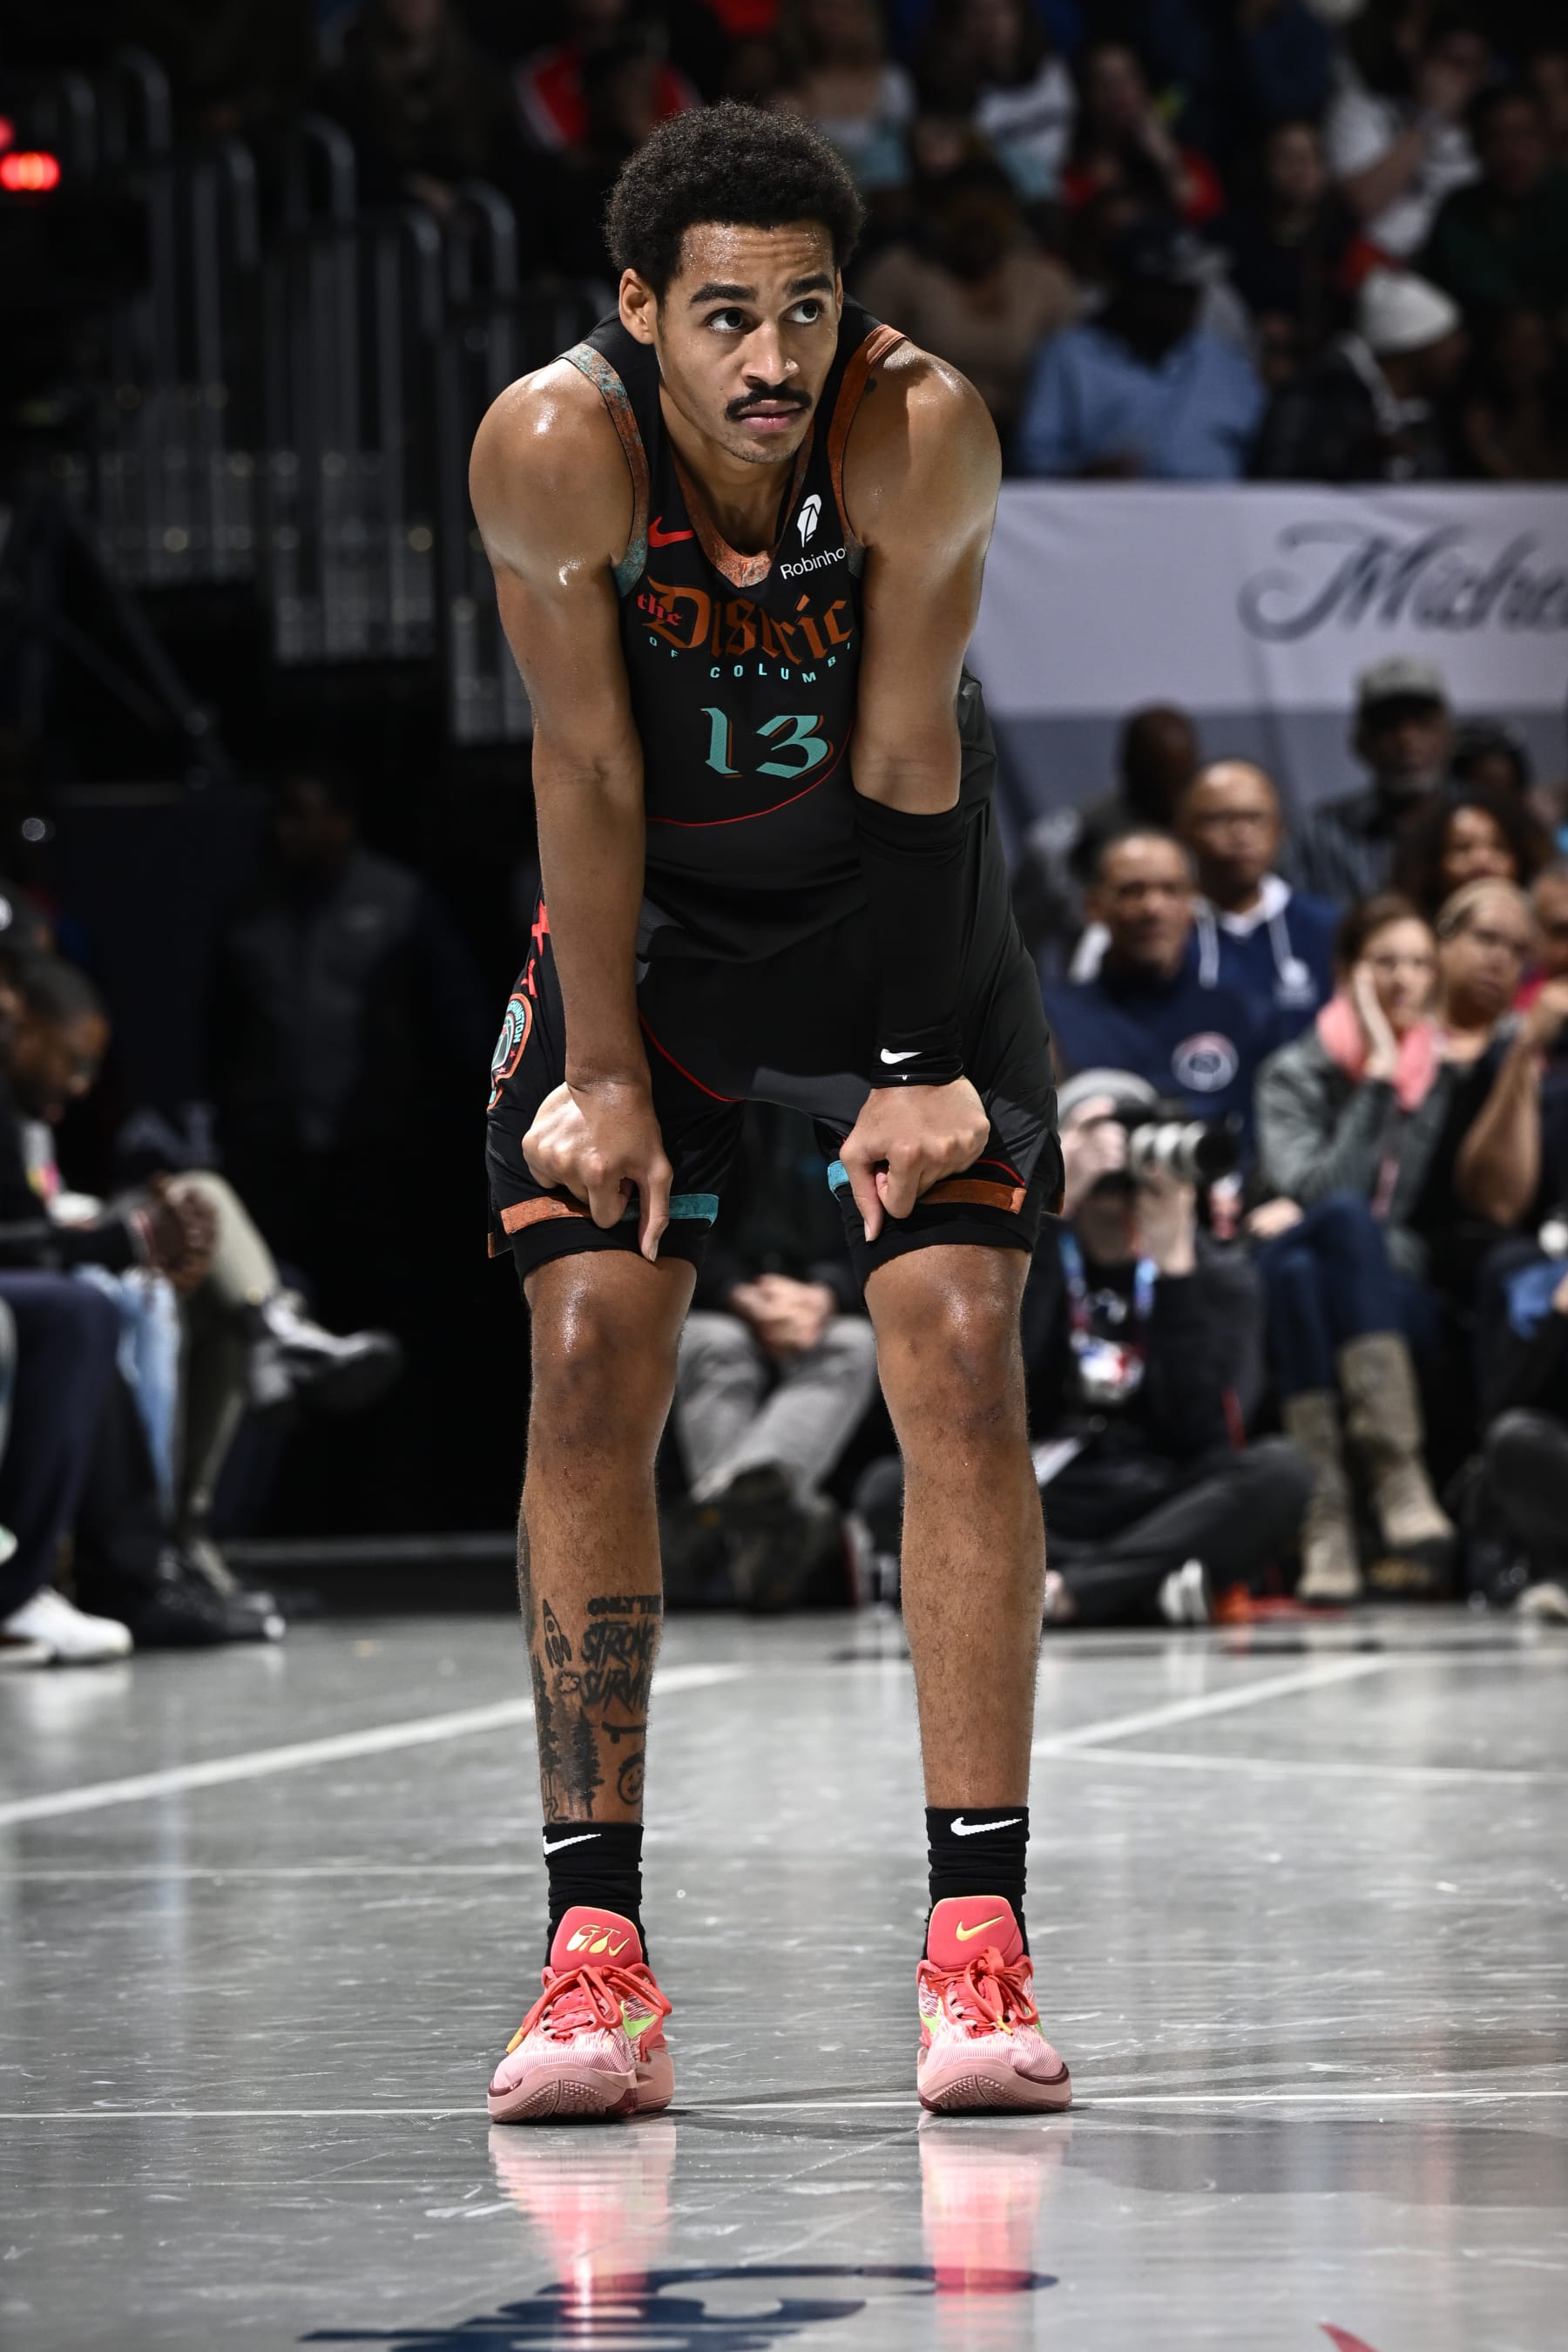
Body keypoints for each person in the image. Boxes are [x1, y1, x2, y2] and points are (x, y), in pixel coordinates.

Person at [470, 102, 1071, 2123]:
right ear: (640, 308)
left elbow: (908, 760)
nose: (774, 356)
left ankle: (976, 1945)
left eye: (807, 310)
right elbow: (586, 770)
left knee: (960, 1344)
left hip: (896, 913)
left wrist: (915, 1064)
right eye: (726, 314)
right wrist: (607, 1072)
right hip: (663, 941)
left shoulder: (918, 431)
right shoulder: (554, 446)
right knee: (586, 1353)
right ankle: (594, 1964)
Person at [1029, 1076, 1310, 1625]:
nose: (1114, 1156)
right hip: (1048, 1489)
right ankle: (1144, 1586)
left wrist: (1175, 1263)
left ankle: (1070, 1589)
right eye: (1092, 1136)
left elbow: (1206, 1432)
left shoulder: (1221, 1278)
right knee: (892, 1489)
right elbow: (1004, 1402)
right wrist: (1045, 1215)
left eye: (1130, 1136)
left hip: (1164, 1492)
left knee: (1283, 1471)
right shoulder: (1025, 1263)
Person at [1251, 894, 1458, 1600]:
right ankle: (1395, 1474)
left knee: (1308, 1263)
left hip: (1394, 1280)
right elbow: (1330, 1190)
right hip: (1301, 1262)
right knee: (1321, 1242)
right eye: (1385, 963)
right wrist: (1376, 1076)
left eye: (1419, 964)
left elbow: (1379, 1213)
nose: (1404, 980)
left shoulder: (1441, 1074)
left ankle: (1327, 1519)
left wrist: (1315, 1211)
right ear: (1347, 972)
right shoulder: (1292, 1072)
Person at [668, 1105, 877, 1612]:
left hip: (822, 1301)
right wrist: (739, 1295)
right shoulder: (702, 1100)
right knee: (712, 1343)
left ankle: (719, 1504)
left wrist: (826, 1294)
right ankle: (774, 1521)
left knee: (854, 1345)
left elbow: (882, 1219)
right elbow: (677, 1216)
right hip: (724, 1298)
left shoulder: (853, 1100)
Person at [1041, 829, 1271, 1132]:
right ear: (1093, 906)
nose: (1153, 908)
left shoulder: (1245, 1014)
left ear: (1193, 902)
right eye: (1131, 891)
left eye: (1170, 890)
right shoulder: (1050, 1019)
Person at [1017, 217, 1263, 480]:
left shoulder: (1222, 358)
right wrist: (1084, 475)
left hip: (1220, 503)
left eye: (1193, 292)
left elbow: (1260, 449)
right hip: (1107, 504)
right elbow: (1034, 460)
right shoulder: (1069, 356)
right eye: (1171, 291)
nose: (1187, 304)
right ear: (1131, 291)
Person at [855, 164, 1075, 442]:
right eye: (964, 219)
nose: (977, 233)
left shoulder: (1043, 280)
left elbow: (1072, 369)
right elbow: (862, 359)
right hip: (920, 434)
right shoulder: (903, 272)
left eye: (990, 220)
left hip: (1024, 437)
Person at [1252, 266, 1467, 484]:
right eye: (1446, 341)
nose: (1461, 349)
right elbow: (1278, 479)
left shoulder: (1430, 414)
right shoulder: (1315, 397)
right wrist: (1356, 457)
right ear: (1414, 346)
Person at [1176, 759, 1337, 1041]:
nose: (1241, 833)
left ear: (1280, 830)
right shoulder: (1159, 930)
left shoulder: (1331, 927)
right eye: (1220, 819)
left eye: (1256, 818)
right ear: (1185, 830)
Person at [1285, 657, 1455, 909]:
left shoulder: (1485, 822)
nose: (1407, 740)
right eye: (1389, 726)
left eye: (1423, 723)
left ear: (1449, 735)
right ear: (1360, 743)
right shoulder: (1320, 833)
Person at [1324, 11, 1488, 261]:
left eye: (1471, 66)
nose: (1459, 77)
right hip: (1366, 265)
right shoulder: (1362, 111)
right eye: (1451, 62)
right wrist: (1429, 120)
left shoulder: (1490, 138)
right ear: (1421, 61)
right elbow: (1362, 205)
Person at [1422, 84, 1568, 321]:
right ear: (1476, 145)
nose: (1513, 152)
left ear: (1548, 138)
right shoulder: (1459, 211)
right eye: (1496, 137)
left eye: (1526, 134)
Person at [914, 0, 1078, 206]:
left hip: (1071, 190)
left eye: (999, 10)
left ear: (1020, 15)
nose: (990, 23)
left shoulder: (1055, 68)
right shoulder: (947, 92)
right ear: (958, 21)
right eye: (978, 13)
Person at [1060, 43, 1223, 226]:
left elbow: (1210, 221)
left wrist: (1169, 165)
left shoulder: (1186, 161)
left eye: (1128, 77)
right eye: (1102, 82)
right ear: (1086, 96)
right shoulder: (1075, 176)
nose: (1118, 91)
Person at [774, 0, 916, 196]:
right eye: (825, 7)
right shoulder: (790, 91)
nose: (835, 17)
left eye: (845, 6)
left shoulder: (892, 84)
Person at [515, 0, 697, 152]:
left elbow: (695, 151)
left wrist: (641, 123)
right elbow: (566, 162)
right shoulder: (541, 74)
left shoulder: (660, 72)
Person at [1391, 782, 1545, 923]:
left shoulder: (1545, 932)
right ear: (1433, 865)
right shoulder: (1412, 934)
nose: (1482, 859)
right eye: (1462, 847)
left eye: (1499, 846)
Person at [1456, 304, 1568, 481]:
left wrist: (1489, 451)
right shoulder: (1478, 414)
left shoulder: (1559, 414)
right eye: (1512, 342)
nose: (1520, 356)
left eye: (1532, 345)